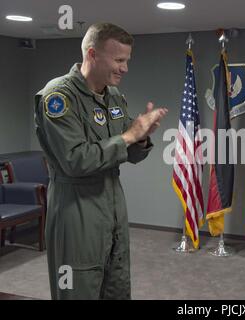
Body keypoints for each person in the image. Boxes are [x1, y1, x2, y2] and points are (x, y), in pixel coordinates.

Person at [34, 23, 168, 299]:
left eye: (127, 61)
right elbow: (76, 160)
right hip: (76, 209)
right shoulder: (58, 97)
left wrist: (141, 137)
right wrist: (129, 136)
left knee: (116, 284)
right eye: (119, 60)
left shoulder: (114, 96)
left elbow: (126, 152)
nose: (125, 68)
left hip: (112, 204)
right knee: (78, 288)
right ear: (92, 54)